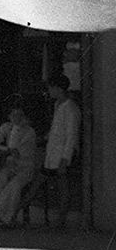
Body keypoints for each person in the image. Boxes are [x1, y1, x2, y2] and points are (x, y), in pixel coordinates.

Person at [0, 106, 38, 228]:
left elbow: (18, 150)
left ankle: (0, 216)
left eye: (19, 115)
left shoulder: (29, 132)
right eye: (13, 115)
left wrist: (11, 149)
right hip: (10, 165)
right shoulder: (6, 127)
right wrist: (6, 149)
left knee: (14, 186)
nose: (16, 118)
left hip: (25, 167)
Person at [42, 73, 81, 224]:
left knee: (63, 185)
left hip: (63, 154)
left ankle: (61, 219)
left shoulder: (70, 108)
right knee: (57, 184)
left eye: (51, 88)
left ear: (58, 88)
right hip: (54, 152)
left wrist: (65, 158)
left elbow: (71, 135)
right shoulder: (58, 105)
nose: (49, 91)